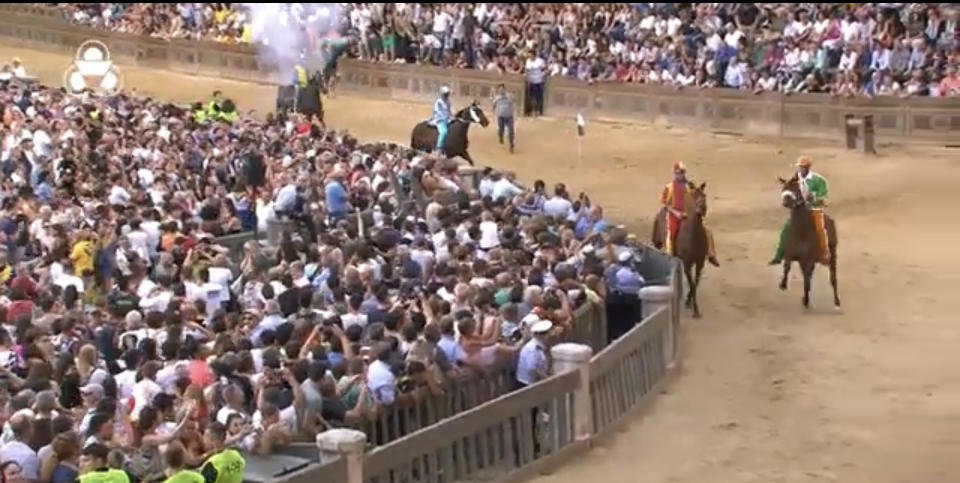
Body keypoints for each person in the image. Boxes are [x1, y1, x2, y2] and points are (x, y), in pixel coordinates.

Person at [770, 156, 830, 265]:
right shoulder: (795, 179)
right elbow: (789, 188)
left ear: (808, 167)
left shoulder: (818, 180)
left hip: (813, 208)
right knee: (786, 229)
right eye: (800, 167)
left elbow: (823, 193)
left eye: (803, 167)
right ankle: (779, 254)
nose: (801, 169)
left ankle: (824, 254)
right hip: (799, 209)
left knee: (820, 229)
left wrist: (813, 196)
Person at [660, 162, 720, 266]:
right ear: (674, 173)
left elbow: (696, 198)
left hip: (689, 215)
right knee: (671, 235)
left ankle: (711, 254)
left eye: (682, 173)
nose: (681, 175)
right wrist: (676, 213)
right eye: (678, 173)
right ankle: (670, 258)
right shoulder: (669, 187)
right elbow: (664, 203)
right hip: (675, 215)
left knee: (707, 232)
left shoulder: (690, 186)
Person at [429, 86, 453, 155]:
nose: (447, 96)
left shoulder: (448, 101)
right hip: (439, 119)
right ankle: (438, 148)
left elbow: (450, 109)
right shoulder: (438, 102)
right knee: (444, 132)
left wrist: (452, 115)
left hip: (447, 119)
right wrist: (446, 116)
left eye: (447, 94)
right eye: (445, 94)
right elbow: (437, 111)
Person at [492, 84, 516, 153]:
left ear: (505, 89)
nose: (501, 91)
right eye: (500, 89)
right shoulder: (497, 98)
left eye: (502, 89)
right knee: (501, 130)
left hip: (509, 117)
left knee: (511, 131)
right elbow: (493, 106)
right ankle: (501, 137)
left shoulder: (509, 96)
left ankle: (511, 145)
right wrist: (495, 112)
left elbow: (514, 102)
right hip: (501, 117)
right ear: (498, 90)